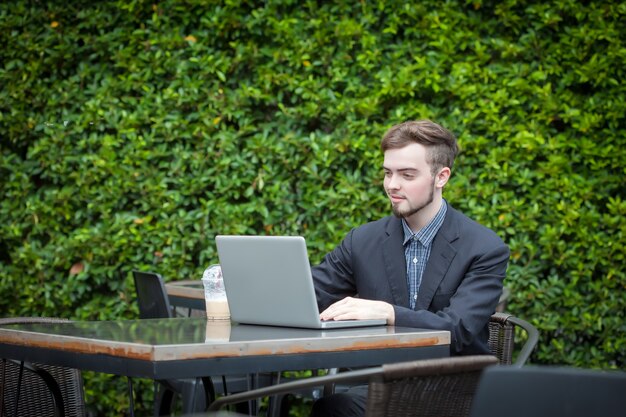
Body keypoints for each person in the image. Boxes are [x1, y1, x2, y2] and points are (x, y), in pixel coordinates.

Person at [310, 119, 510, 417]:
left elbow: (458, 329)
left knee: (336, 408)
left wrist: (388, 312)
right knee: (332, 405)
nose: (392, 184)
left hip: (452, 392)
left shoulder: (484, 248)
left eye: (407, 174)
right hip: (374, 384)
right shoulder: (361, 241)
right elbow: (310, 292)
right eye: (388, 173)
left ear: (441, 177)